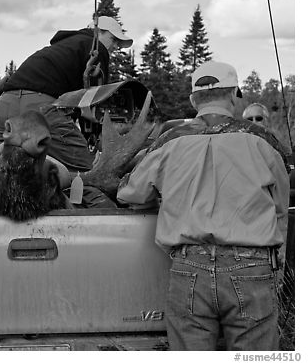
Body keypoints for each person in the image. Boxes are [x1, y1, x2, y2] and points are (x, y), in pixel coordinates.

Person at [116, 61, 290, 351]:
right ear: (235, 94)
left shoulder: (169, 141)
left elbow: (130, 194)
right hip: (251, 267)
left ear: (193, 100)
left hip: (189, 268)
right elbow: (280, 207)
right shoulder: (263, 141)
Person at [0, 16, 133, 172]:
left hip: (6, 101)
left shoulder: (63, 47)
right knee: (84, 168)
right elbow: (94, 101)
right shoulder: (96, 48)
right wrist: (94, 139)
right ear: (97, 32)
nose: (115, 46)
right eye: (113, 39)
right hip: (40, 106)